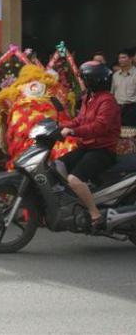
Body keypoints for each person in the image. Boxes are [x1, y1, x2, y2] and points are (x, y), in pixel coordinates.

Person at [60, 61, 121, 229]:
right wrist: (58, 125)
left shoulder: (107, 101)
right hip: (87, 146)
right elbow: (79, 120)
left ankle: (95, 214)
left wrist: (73, 132)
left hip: (102, 150)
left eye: (84, 78)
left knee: (73, 178)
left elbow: (100, 126)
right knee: (57, 166)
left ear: (93, 80)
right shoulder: (89, 97)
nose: (81, 81)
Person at [111, 49, 136, 127]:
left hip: (132, 108)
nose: (120, 60)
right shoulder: (115, 75)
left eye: (123, 57)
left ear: (131, 59)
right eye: (119, 58)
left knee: (131, 134)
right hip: (117, 108)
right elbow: (112, 92)